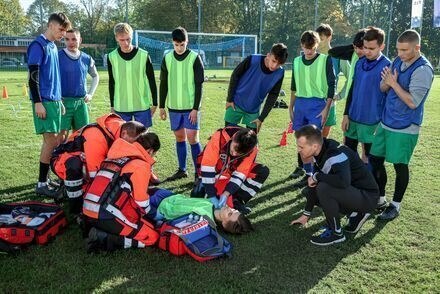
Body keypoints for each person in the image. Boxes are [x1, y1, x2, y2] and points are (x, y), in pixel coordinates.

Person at [370, 30, 434, 221]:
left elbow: (412, 102)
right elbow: (383, 87)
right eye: (398, 49)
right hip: (386, 121)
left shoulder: (423, 70)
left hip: (405, 126)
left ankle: (395, 206)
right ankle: (380, 199)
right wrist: (388, 82)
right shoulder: (397, 61)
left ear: (417, 48)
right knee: (375, 159)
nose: (400, 54)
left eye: (405, 50)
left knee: (399, 165)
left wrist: (393, 83)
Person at [290, 125, 379, 246]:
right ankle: (355, 213)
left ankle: (337, 234)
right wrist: (306, 214)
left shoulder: (334, 153)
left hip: (368, 197)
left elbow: (343, 182)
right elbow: (315, 182)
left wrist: (317, 176)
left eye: (301, 147)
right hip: (355, 193)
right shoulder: (319, 150)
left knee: (323, 188)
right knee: (309, 191)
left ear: (314, 146)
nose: (298, 150)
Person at [51, 114, 146, 217]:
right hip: (62, 162)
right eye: (132, 142)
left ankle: (71, 190)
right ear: (124, 133)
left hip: (82, 160)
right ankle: (76, 209)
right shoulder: (97, 137)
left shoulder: (119, 129)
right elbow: (95, 176)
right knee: (77, 167)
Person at [27, 12, 71, 198]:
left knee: (55, 140)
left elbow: (54, 77)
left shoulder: (52, 46)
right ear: (51, 25)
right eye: (61, 30)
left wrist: (59, 99)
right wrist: (38, 102)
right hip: (43, 101)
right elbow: (33, 77)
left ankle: (45, 180)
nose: (63, 34)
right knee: (50, 141)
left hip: (54, 101)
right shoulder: (38, 45)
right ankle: (41, 183)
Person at [288, 30, 336, 188]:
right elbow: (294, 86)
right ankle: (308, 173)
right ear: (301, 45)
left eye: (312, 48)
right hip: (300, 105)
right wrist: (291, 107)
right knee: (301, 141)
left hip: (317, 105)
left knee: (313, 142)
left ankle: (316, 174)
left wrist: (326, 109)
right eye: (306, 48)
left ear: (317, 45)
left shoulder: (325, 60)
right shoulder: (296, 61)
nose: (309, 51)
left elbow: (331, 86)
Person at [159, 27, 205, 181]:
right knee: (180, 138)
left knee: (193, 138)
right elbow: (163, 83)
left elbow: (199, 85)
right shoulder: (167, 58)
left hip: (190, 108)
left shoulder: (194, 57)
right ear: (172, 43)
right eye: (176, 45)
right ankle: (182, 169)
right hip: (173, 108)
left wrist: (195, 108)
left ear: (187, 42)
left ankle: (199, 173)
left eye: (182, 44)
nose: (179, 48)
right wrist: (161, 106)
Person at [341, 26, 390, 169]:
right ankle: (352, 185)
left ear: (382, 46)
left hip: (372, 121)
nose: (367, 51)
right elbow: (352, 90)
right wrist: (346, 114)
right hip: (353, 118)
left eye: (372, 48)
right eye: (365, 47)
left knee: (372, 160)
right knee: (348, 154)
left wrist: (381, 123)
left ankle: (373, 189)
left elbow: (389, 98)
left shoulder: (387, 66)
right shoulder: (359, 63)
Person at [195, 126, 269, 214]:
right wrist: (211, 194)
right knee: (197, 196)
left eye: (239, 153)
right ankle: (201, 186)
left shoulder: (252, 149)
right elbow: (207, 166)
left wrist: (226, 193)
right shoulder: (220, 136)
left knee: (262, 171)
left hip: (229, 174)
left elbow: (240, 173)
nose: (234, 153)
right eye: (234, 148)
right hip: (211, 170)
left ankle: (236, 201)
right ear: (233, 138)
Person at [224, 43, 288, 133]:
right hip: (235, 104)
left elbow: (273, 95)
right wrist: (230, 99)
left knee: (251, 140)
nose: (274, 66)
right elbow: (235, 75)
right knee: (228, 135)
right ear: (269, 55)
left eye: (279, 64)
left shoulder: (280, 73)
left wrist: (261, 118)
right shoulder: (252, 60)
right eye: (273, 61)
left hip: (253, 110)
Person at [328, 29, 369, 163]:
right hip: (353, 106)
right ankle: (354, 175)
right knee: (348, 146)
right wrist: (355, 46)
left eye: (362, 47)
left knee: (367, 150)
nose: (359, 51)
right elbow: (332, 52)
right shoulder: (353, 54)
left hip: (368, 111)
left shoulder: (376, 61)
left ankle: (366, 175)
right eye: (356, 47)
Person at [108, 23, 157, 128]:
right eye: (122, 40)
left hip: (142, 105)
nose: (125, 43)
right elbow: (111, 82)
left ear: (132, 36)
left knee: (143, 140)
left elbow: (152, 80)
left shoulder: (144, 55)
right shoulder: (111, 57)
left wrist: (155, 103)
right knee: (123, 141)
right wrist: (112, 105)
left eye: (128, 39)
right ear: (116, 38)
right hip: (121, 106)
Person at [58, 28, 99, 142]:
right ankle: (59, 159)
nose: (71, 42)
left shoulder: (86, 58)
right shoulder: (57, 56)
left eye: (74, 39)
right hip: (63, 102)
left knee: (81, 136)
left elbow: (95, 76)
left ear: (80, 40)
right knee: (61, 138)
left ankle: (76, 159)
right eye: (67, 39)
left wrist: (90, 94)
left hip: (81, 103)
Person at [316, 23, 350, 138]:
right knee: (311, 137)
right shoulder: (312, 55)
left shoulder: (339, 56)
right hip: (313, 101)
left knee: (323, 139)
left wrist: (340, 95)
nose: (319, 42)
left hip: (329, 103)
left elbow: (351, 76)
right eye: (317, 39)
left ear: (329, 37)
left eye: (321, 39)